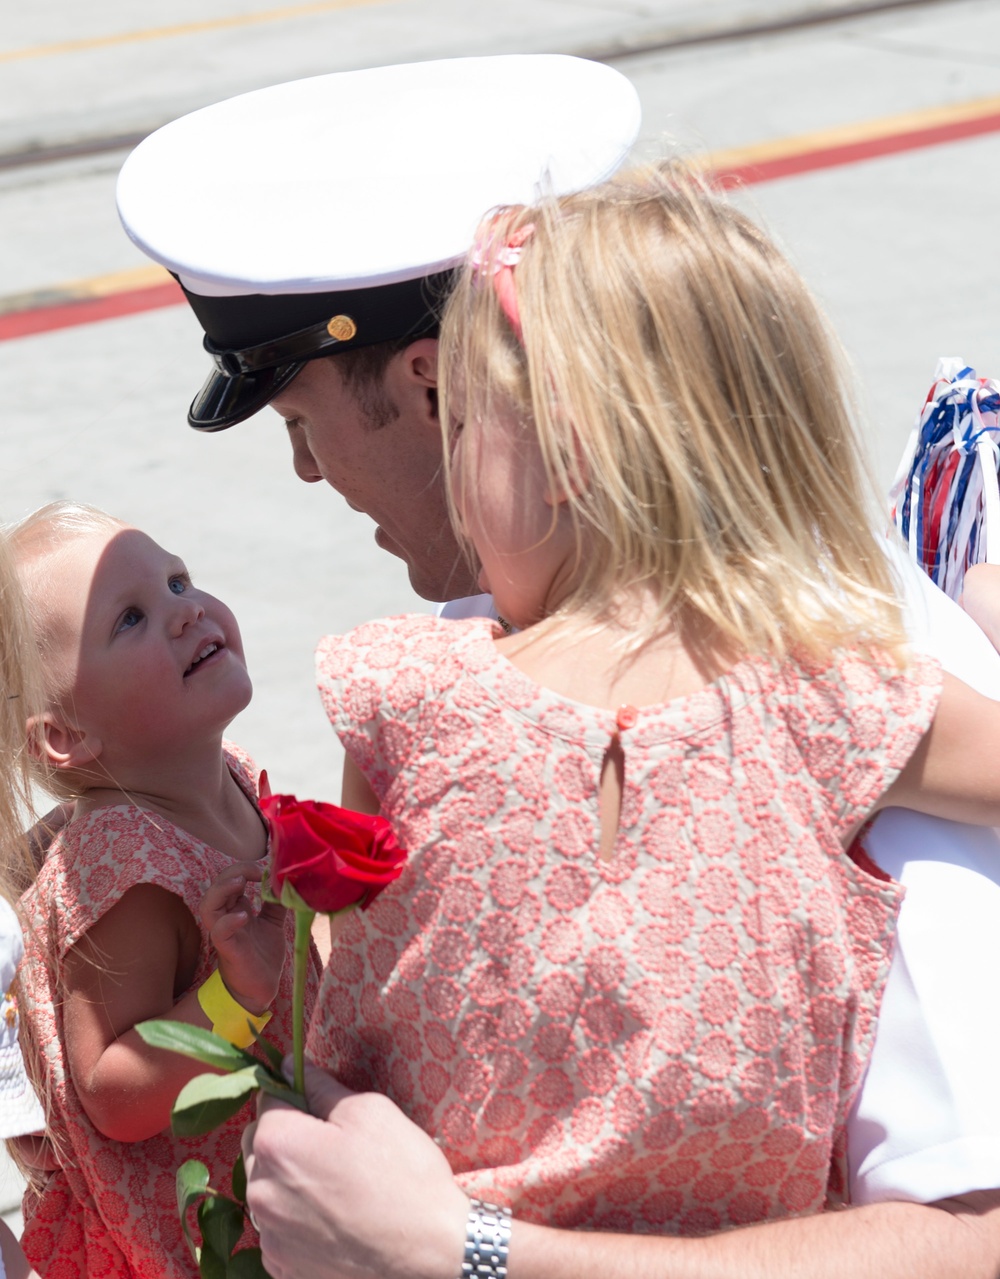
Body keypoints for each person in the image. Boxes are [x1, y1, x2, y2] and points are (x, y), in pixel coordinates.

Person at [115, 56, 1000, 1279]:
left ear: (453, 396)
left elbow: (967, 1236)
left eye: (300, 424)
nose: (308, 477)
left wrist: (457, 1247)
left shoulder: (843, 671)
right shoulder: (434, 678)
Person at [8, 502, 321, 1279]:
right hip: (204, 1228)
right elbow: (111, 1091)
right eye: (132, 618)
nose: (185, 612)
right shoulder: (123, 861)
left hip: (277, 1160)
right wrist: (235, 999)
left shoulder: (231, 771)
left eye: (179, 580)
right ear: (67, 735)